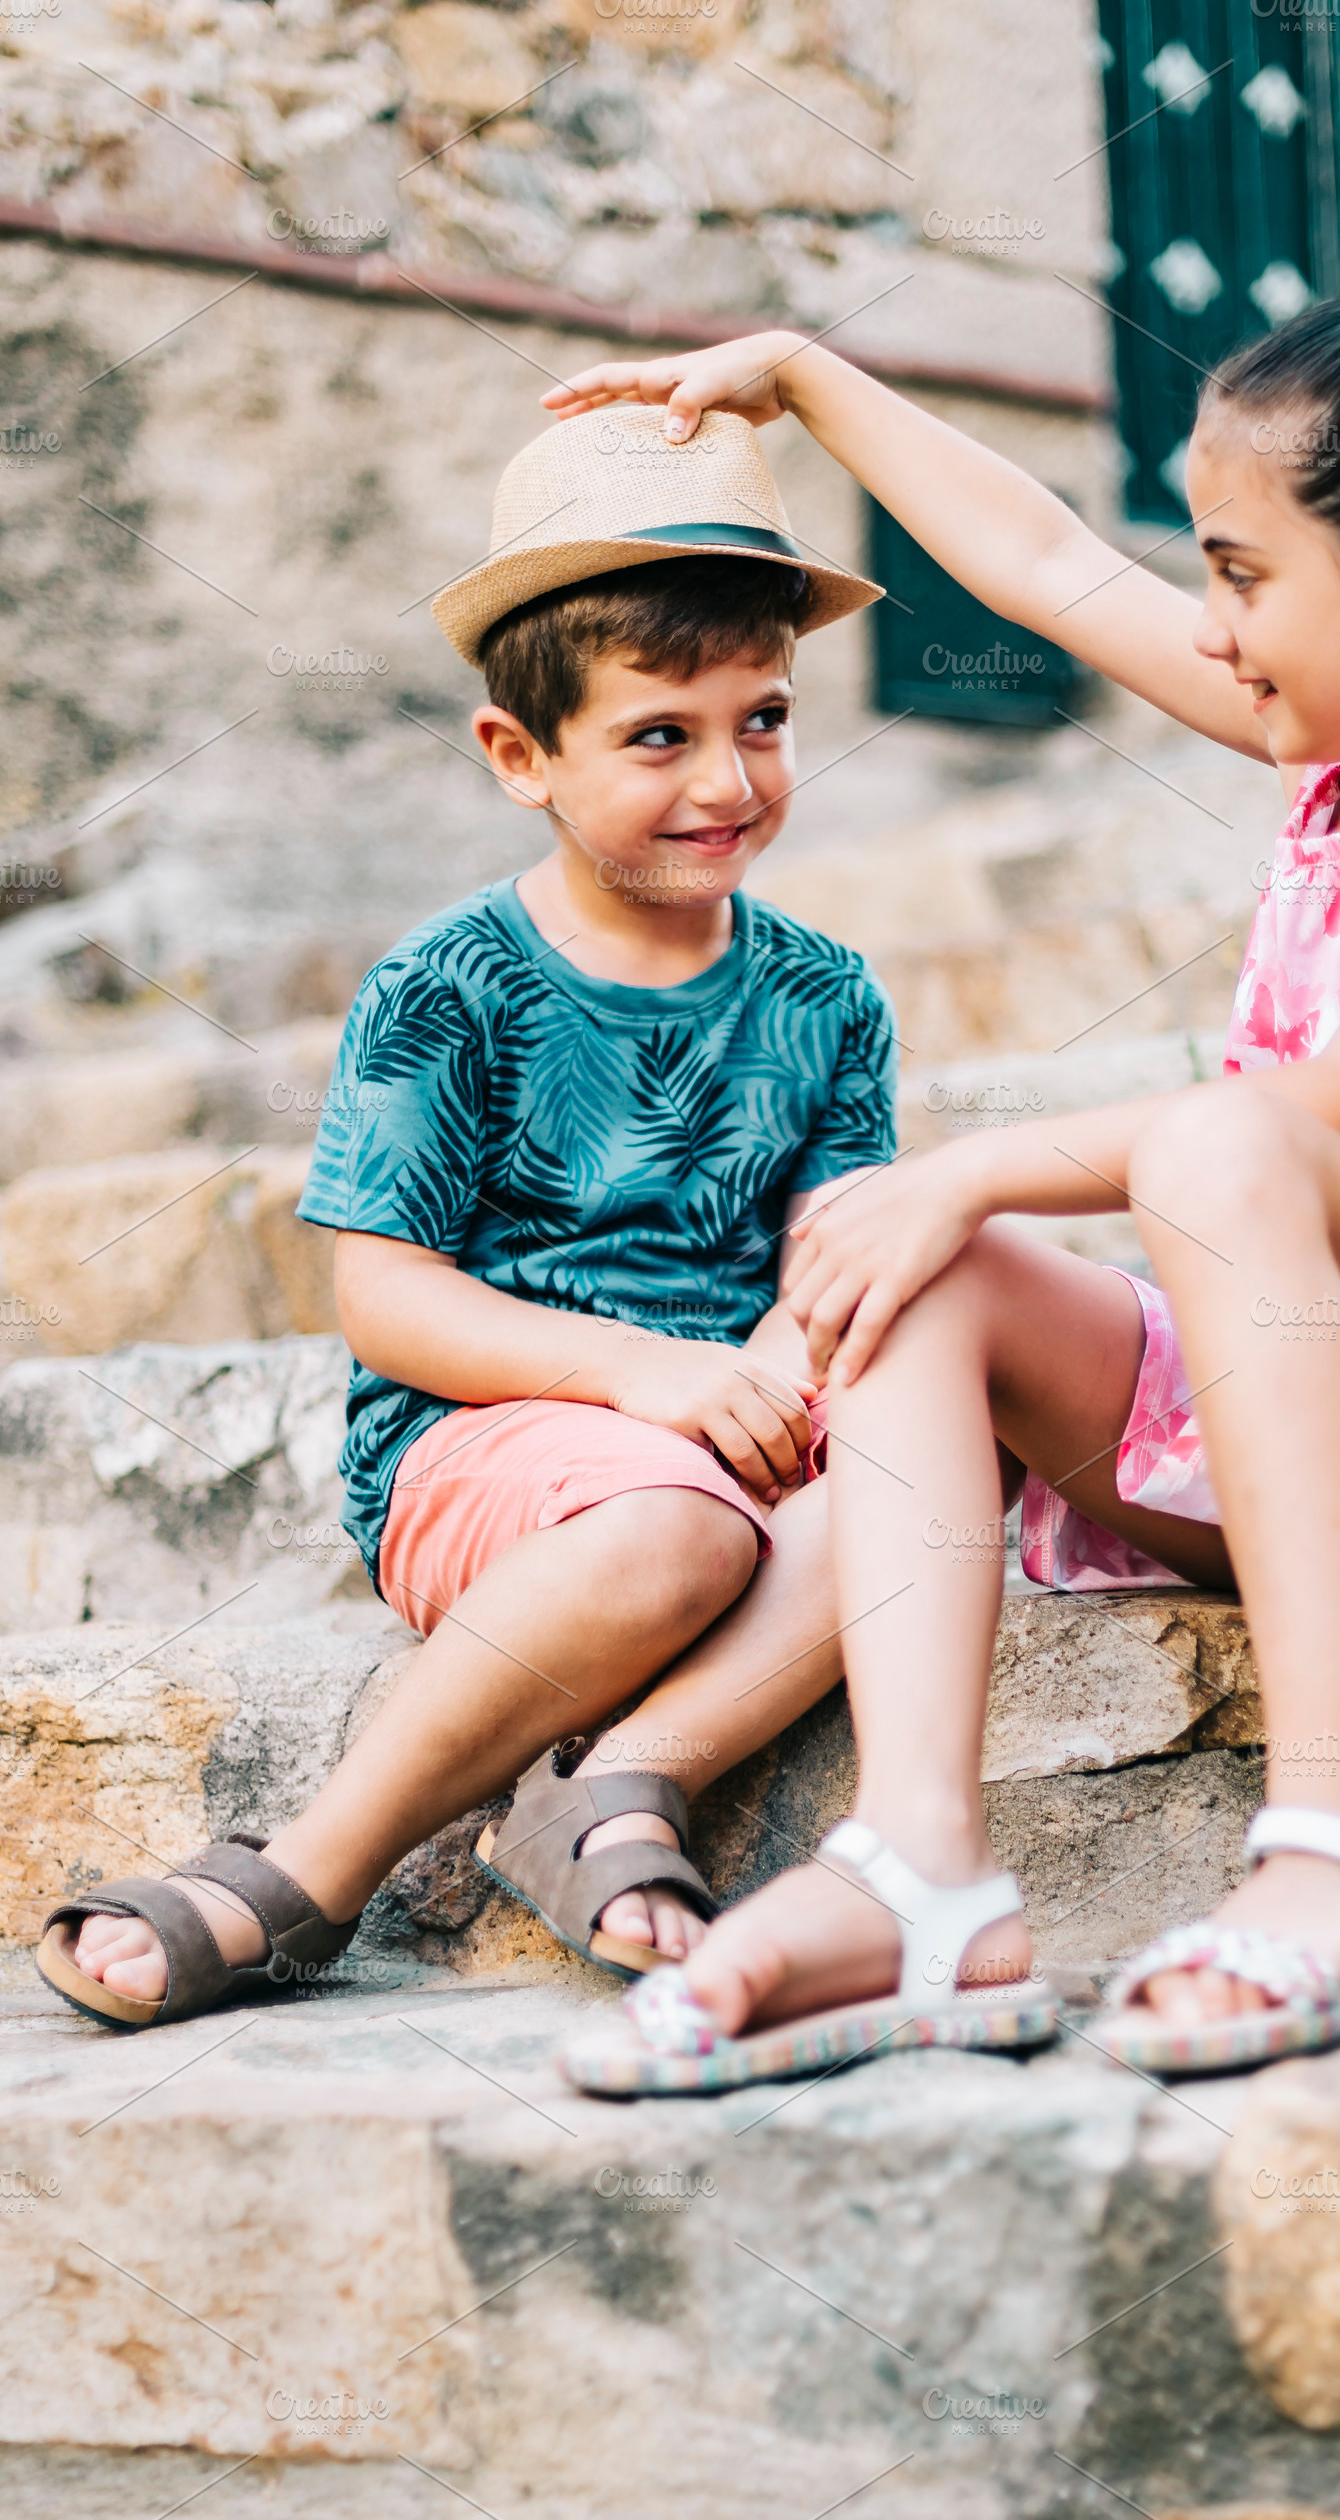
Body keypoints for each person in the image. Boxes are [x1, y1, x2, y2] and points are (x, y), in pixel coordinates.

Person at [547, 213, 1340, 2096]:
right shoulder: (1337, 740)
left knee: (1197, 1142)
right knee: (921, 1272)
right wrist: (804, 374)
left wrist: (976, 1156)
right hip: (1292, 1387)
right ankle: (924, 1866)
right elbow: (1045, 562)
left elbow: (1326, 1117)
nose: (1204, 625)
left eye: (1241, 574)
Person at [38, 404, 945, 2032]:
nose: (730, 778)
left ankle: (616, 1786)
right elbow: (386, 1299)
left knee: (928, 1459)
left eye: (766, 719)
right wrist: (648, 1381)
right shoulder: (448, 987)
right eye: (660, 735)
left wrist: (763, 1374)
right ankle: (319, 1864)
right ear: (520, 755)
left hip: (750, 1415)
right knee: (678, 1523)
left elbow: (843, 1249)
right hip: (501, 1438)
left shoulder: (826, 995)